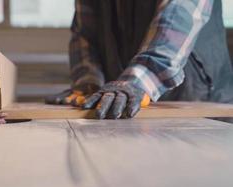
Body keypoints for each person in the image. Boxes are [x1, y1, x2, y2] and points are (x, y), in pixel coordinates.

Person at [46, 0, 233, 120]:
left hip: (199, 102)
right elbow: (85, 32)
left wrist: (137, 82)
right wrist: (88, 82)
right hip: (125, 98)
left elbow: (179, 11)